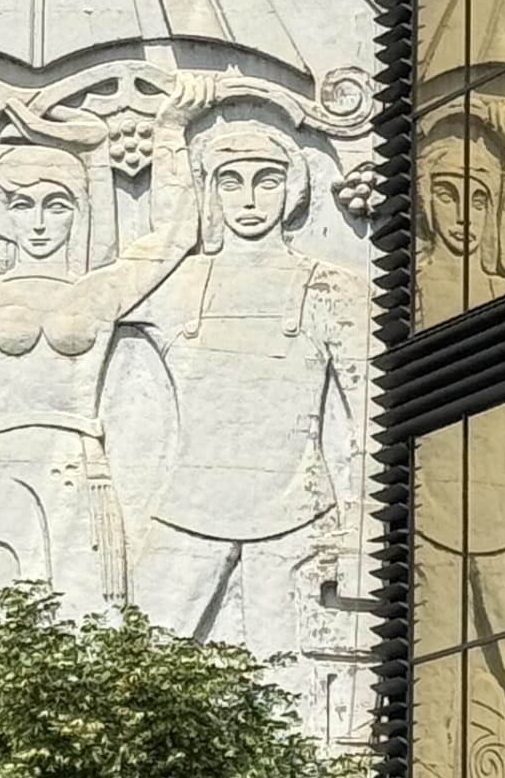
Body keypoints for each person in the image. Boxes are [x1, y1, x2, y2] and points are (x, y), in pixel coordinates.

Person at [0, 116, 192, 615]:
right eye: (23, 206)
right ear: (2, 214)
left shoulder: (98, 293)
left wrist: (172, 130)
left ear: (77, 213)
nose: (40, 222)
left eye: (57, 206)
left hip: (77, 462)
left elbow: (177, 233)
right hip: (2, 461)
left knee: (88, 614)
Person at [136, 121, 365, 654]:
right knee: (134, 663)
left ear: (292, 191)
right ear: (210, 194)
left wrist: (361, 524)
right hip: (188, 509)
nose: (249, 199)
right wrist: (168, 133)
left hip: (297, 516)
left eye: (266, 180)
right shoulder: (176, 284)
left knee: (287, 685)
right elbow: (97, 299)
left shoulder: (331, 287)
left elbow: (370, 414)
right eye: (230, 182)